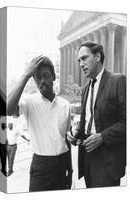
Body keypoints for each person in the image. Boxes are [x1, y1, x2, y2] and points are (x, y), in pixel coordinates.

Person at [7, 56, 72, 191]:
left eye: (46, 76)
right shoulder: (29, 102)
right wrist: (26, 75)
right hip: (41, 167)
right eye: (37, 77)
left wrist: (70, 171)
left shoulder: (65, 105)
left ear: (54, 77)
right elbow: (7, 109)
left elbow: (66, 139)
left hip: (62, 165)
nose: (42, 81)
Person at [67, 41, 126, 188]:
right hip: (87, 158)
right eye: (79, 60)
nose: (81, 64)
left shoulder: (118, 81)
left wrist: (102, 137)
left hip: (108, 161)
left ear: (98, 56)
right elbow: (86, 122)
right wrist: (76, 135)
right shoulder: (85, 89)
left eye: (84, 58)